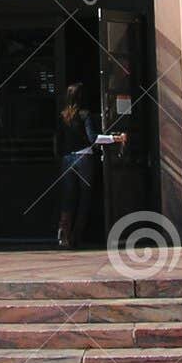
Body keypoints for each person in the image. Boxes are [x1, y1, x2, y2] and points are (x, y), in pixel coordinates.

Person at [55, 83, 125, 248]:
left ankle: (63, 232)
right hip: (84, 158)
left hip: (67, 159)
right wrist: (115, 139)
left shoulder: (62, 116)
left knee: (68, 197)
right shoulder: (85, 115)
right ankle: (76, 237)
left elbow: (57, 140)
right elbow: (93, 138)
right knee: (84, 198)